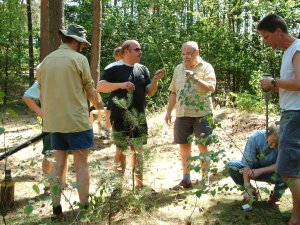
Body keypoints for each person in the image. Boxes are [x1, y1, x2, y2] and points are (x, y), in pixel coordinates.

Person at [36, 24, 103, 220]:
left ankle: (56, 209)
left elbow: (41, 92)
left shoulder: (45, 62)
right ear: (74, 40)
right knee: (81, 165)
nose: (82, 46)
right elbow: (90, 90)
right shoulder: (78, 59)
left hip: (54, 123)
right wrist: (99, 104)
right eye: (81, 42)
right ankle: (84, 209)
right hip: (77, 122)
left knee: (58, 165)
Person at [97, 40, 165, 189]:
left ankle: (139, 186)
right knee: (121, 150)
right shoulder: (113, 68)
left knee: (138, 150)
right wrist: (121, 85)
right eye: (137, 49)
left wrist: (155, 80)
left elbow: (150, 92)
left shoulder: (142, 69)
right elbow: (100, 86)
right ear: (126, 51)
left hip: (139, 116)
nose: (140, 52)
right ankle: (117, 186)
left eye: (140, 49)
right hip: (119, 117)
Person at [259, 14, 300, 225]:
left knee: (287, 169)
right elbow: (290, 84)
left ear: (278, 32)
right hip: (289, 113)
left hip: (296, 114)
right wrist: (273, 86)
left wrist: (274, 81)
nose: (265, 42)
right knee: (292, 168)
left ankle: (297, 217)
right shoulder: (287, 53)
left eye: (266, 37)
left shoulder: (297, 48)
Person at [165, 41, 216, 190]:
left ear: (197, 53)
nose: (185, 57)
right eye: (183, 53)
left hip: (202, 114)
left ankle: (205, 180)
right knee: (184, 146)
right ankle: (186, 179)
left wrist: (195, 79)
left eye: (189, 53)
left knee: (203, 146)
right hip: (182, 114)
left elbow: (211, 88)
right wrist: (168, 111)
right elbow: (173, 92)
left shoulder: (206, 67)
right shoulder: (178, 69)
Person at [226, 125, 287, 204]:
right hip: (252, 170)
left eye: (277, 144)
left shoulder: (286, 142)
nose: (273, 146)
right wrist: (248, 190)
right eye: (272, 142)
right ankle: (252, 192)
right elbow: (247, 165)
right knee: (231, 166)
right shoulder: (255, 138)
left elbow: (282, 164)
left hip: (272, 172)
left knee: (289, 175)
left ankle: (275, 196)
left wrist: (261, 170)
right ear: (267, 134)